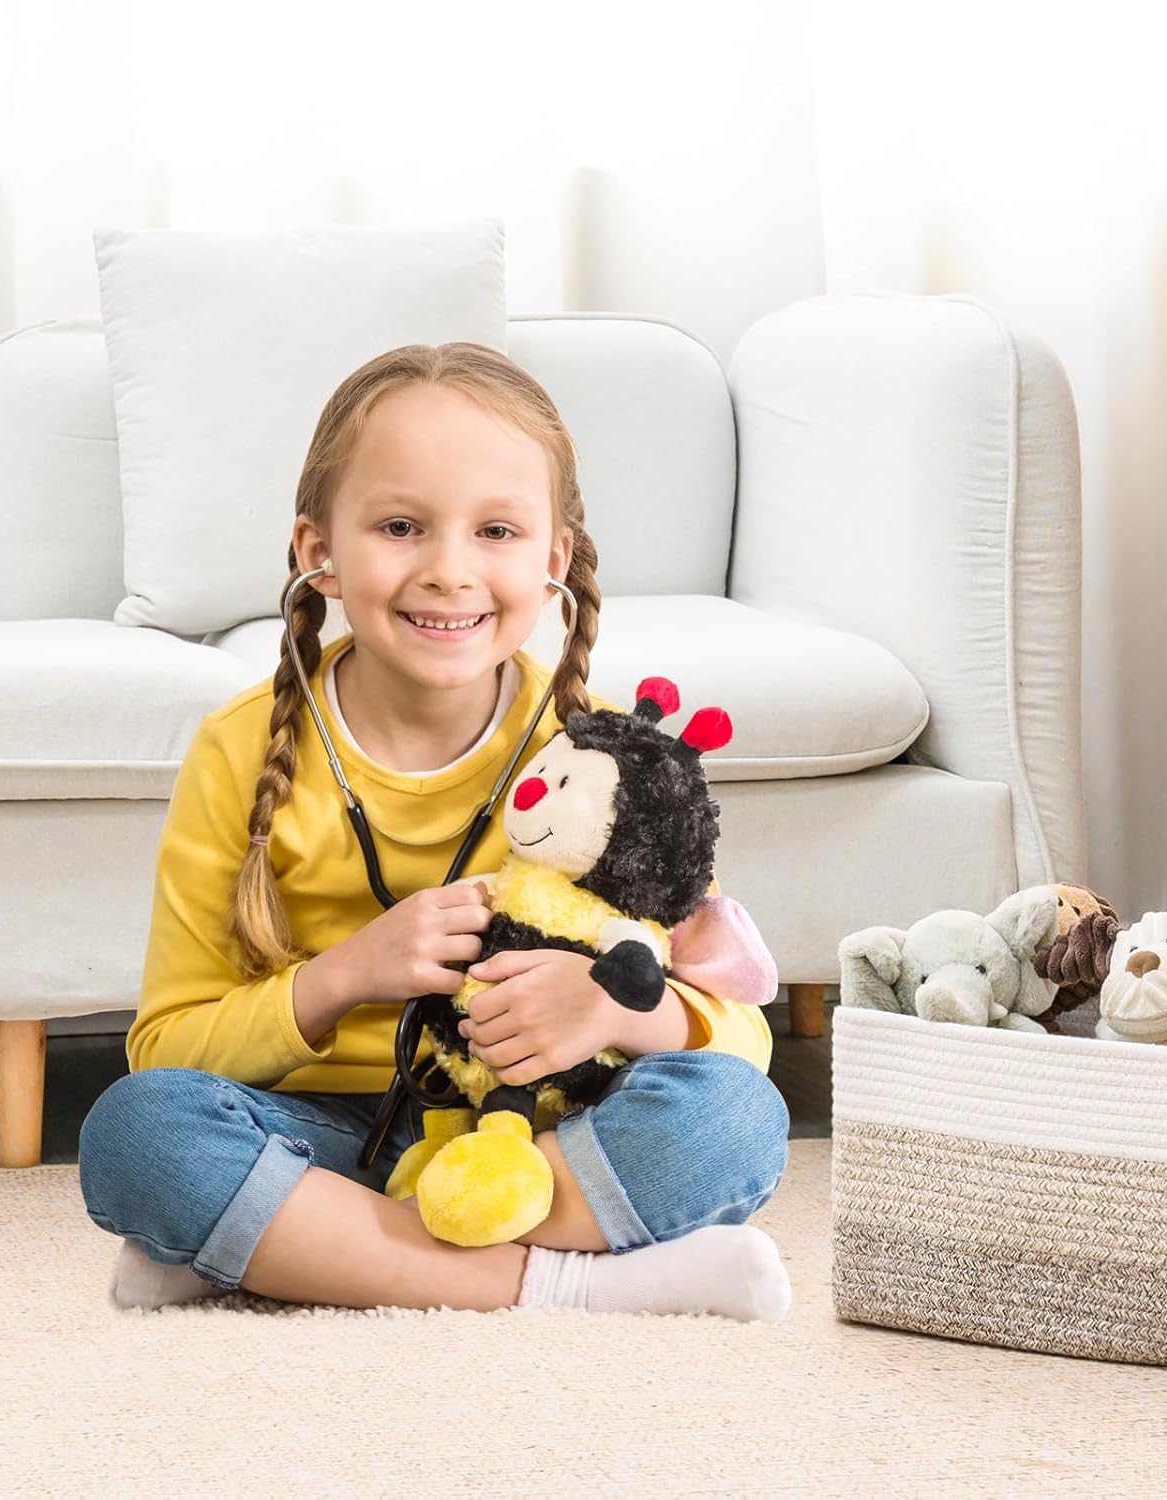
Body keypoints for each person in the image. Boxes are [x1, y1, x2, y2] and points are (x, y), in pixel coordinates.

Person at [77, 341, 792, 1322]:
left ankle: (291, 1250)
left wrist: (619, 1014)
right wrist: (345, 977)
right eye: (401, 526)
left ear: (555, 561)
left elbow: (738, 1029)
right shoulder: (239, 749)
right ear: (315, 550)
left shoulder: (604, 757)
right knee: (138, 1134)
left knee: (737, 1116)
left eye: (495, 530)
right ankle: (571, 1287)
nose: (449, 572)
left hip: (535, 1138)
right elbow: (164, 1051)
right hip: (325, 1136)